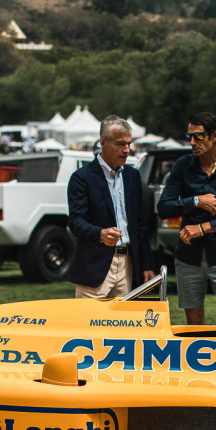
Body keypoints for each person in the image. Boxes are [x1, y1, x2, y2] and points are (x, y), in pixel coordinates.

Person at [157, 112, 216, 325]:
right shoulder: (183, 166)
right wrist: (196, 201)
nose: (192, 142)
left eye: (198, 136)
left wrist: (203, 228)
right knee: (194, 328)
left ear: (214, 136)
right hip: (188, 257)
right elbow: (163, 208)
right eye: (189, 136)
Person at [65, 116, 156, 298]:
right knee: (89, 323)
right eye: (121, 144)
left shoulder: (133, 176)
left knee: (122, 324)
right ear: (103, 143)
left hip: (128, 264)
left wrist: (147, 264)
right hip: (94, 264)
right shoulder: (82, 177)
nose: (127, 150)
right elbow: (76, 222)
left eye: (129, 144)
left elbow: (139, 224)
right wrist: (100, 233)